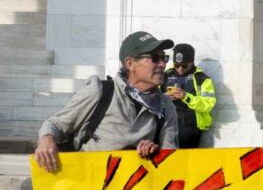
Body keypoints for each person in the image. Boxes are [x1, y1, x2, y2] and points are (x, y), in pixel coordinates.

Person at [34, 31, 179, 173]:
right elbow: (54, 125)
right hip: (87, 186)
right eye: (154, 58)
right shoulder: (100, 91)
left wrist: (155, 152)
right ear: (130, 64)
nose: (162, 64)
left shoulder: (166, 106)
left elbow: (171, 160)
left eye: (164, 58)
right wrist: (47, 139)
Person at [163, 43, 216, 149]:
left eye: (184, 65)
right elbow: (152, 97)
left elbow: (208, 105)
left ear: (192, 62)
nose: (180, 69)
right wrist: (165, 97)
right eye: (177, 65)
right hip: (167, 124)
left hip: (191, 127)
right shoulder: (166, 75)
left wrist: (186, 97)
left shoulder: (202, 78)